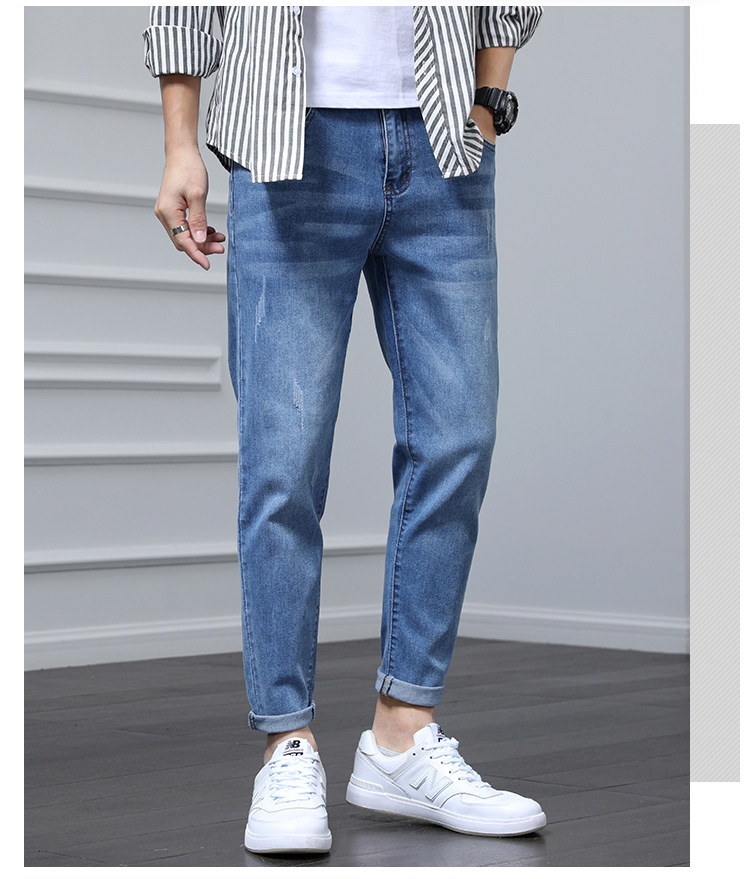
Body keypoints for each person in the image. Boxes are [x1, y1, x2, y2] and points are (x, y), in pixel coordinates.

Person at [143, 4, 545, 855]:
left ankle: (403, 732)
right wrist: (181, 142)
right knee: (284, 460)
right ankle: (286, 742)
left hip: (443, 142)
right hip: (288, 138)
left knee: (458, 437)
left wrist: (488, 102)